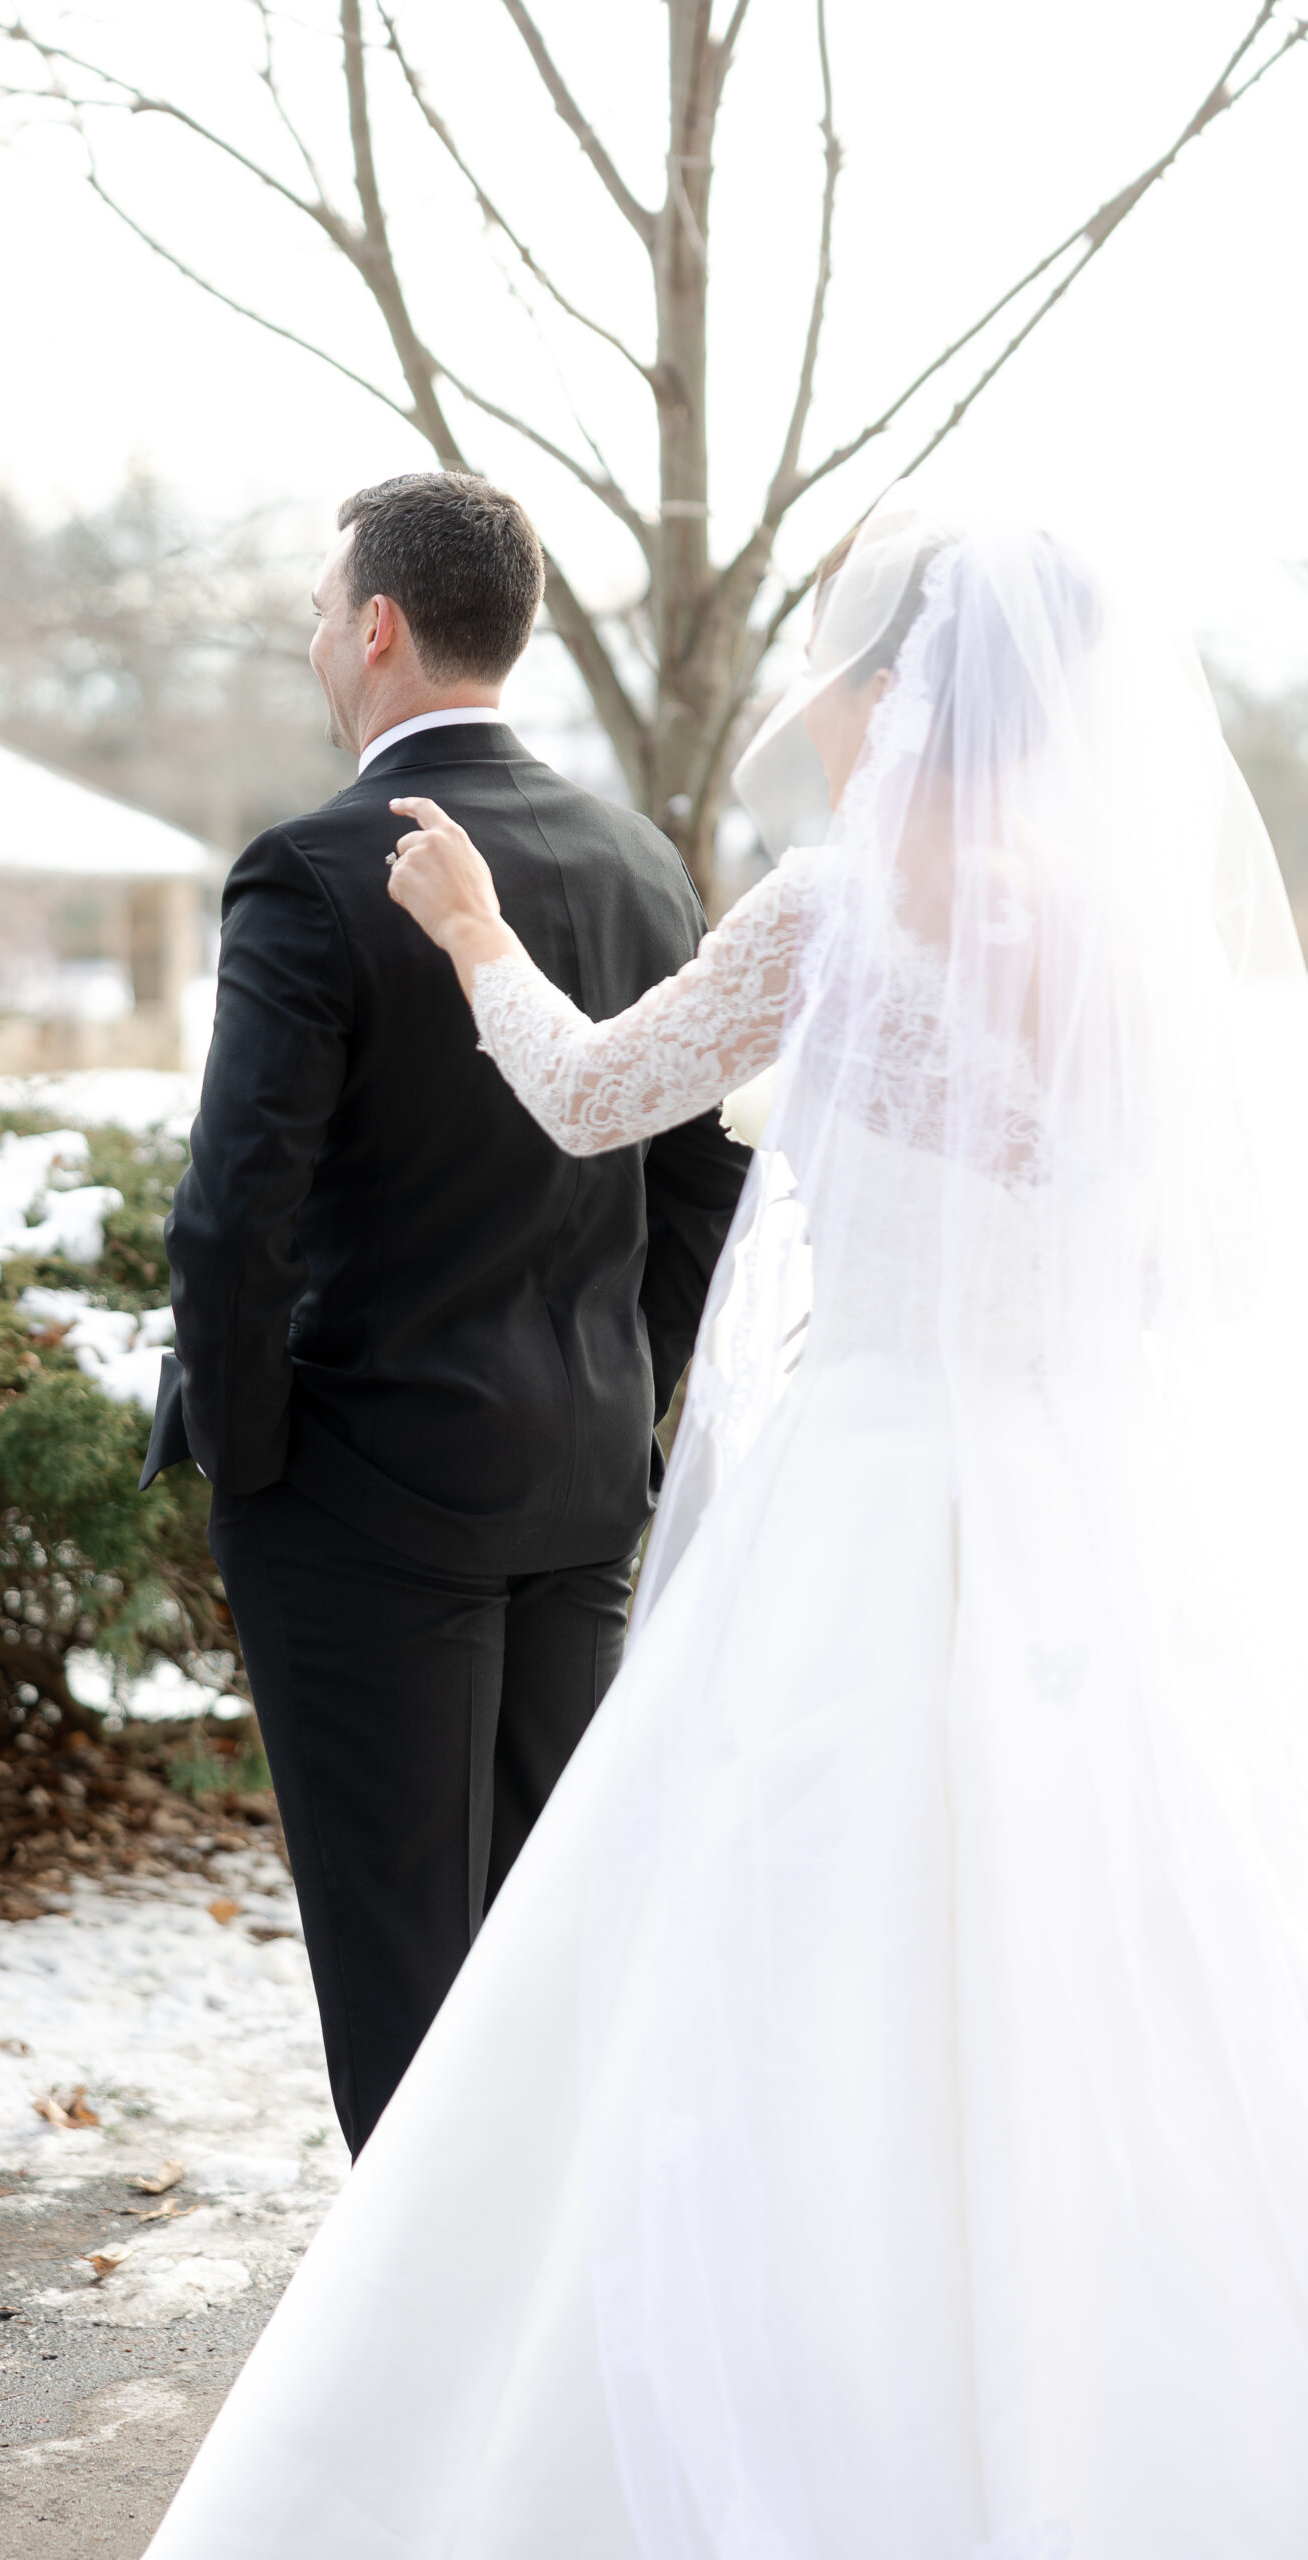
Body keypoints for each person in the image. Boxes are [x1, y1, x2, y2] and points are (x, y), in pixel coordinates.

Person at [143, 500, 1308, 2558]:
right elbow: (1179, 1269)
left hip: (855, 1513)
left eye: (853, 673)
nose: (831, 705)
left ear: (904, 695)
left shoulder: (836, 909)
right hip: (1079, 1524)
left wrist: (471, 934)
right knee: (1085, 1968)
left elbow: (596, 1098)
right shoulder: (1146, 944)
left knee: (759, 1984)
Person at [141, 470, 745, 2157]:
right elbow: (701, 1183)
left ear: (380, 629)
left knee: (406, 1982)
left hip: (363, 1503)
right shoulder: (640, 864)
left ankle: (430, 2394)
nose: (314, 639)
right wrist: (624, 1391)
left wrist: (255, 1467)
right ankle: (568, 2354)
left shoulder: (312, 872)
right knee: (568, 1960)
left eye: (323, 612)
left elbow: (232, 1216)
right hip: (575, 1488)